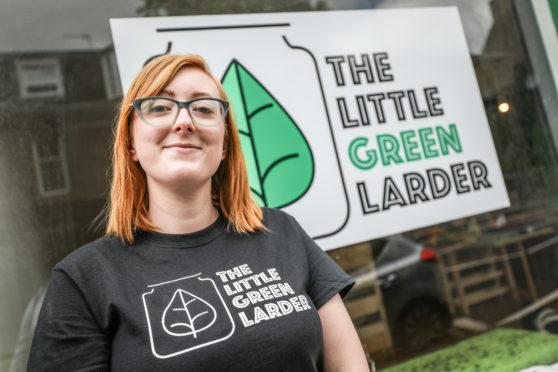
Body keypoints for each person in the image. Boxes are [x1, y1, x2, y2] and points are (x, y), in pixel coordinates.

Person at [27, 54, 369, 371]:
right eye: (160, 107)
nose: (184, 121)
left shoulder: (281, 232)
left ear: (224, 146)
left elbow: (348, 366)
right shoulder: (82, 281)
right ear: (131, 144)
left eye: (204, 109)